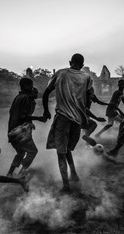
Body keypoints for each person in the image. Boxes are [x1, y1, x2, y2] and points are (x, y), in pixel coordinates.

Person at [42, 53, 92, 193]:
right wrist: (85, 115)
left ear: (70, 62)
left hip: (63, 118)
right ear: (82, 65)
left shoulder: (61, 73)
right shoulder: (87, 78)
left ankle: (65, 186)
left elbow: (46, 93)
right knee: (67, 148)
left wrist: (46, 111)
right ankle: (74, 174)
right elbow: (89, 99)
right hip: (77, 120)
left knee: (60, 152)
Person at [7, 78, 47, 177]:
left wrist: (29, 122)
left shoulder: (19, 97)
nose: (36, 94)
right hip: (20, 131)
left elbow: (16, 114)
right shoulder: (25, 98)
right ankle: (22, 173)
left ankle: (10, 173)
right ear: (25, 86)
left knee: (20, 152)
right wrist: (38, 118)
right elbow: (22, 116)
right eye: (31, 86)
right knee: (33, 151)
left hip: (12, 131)